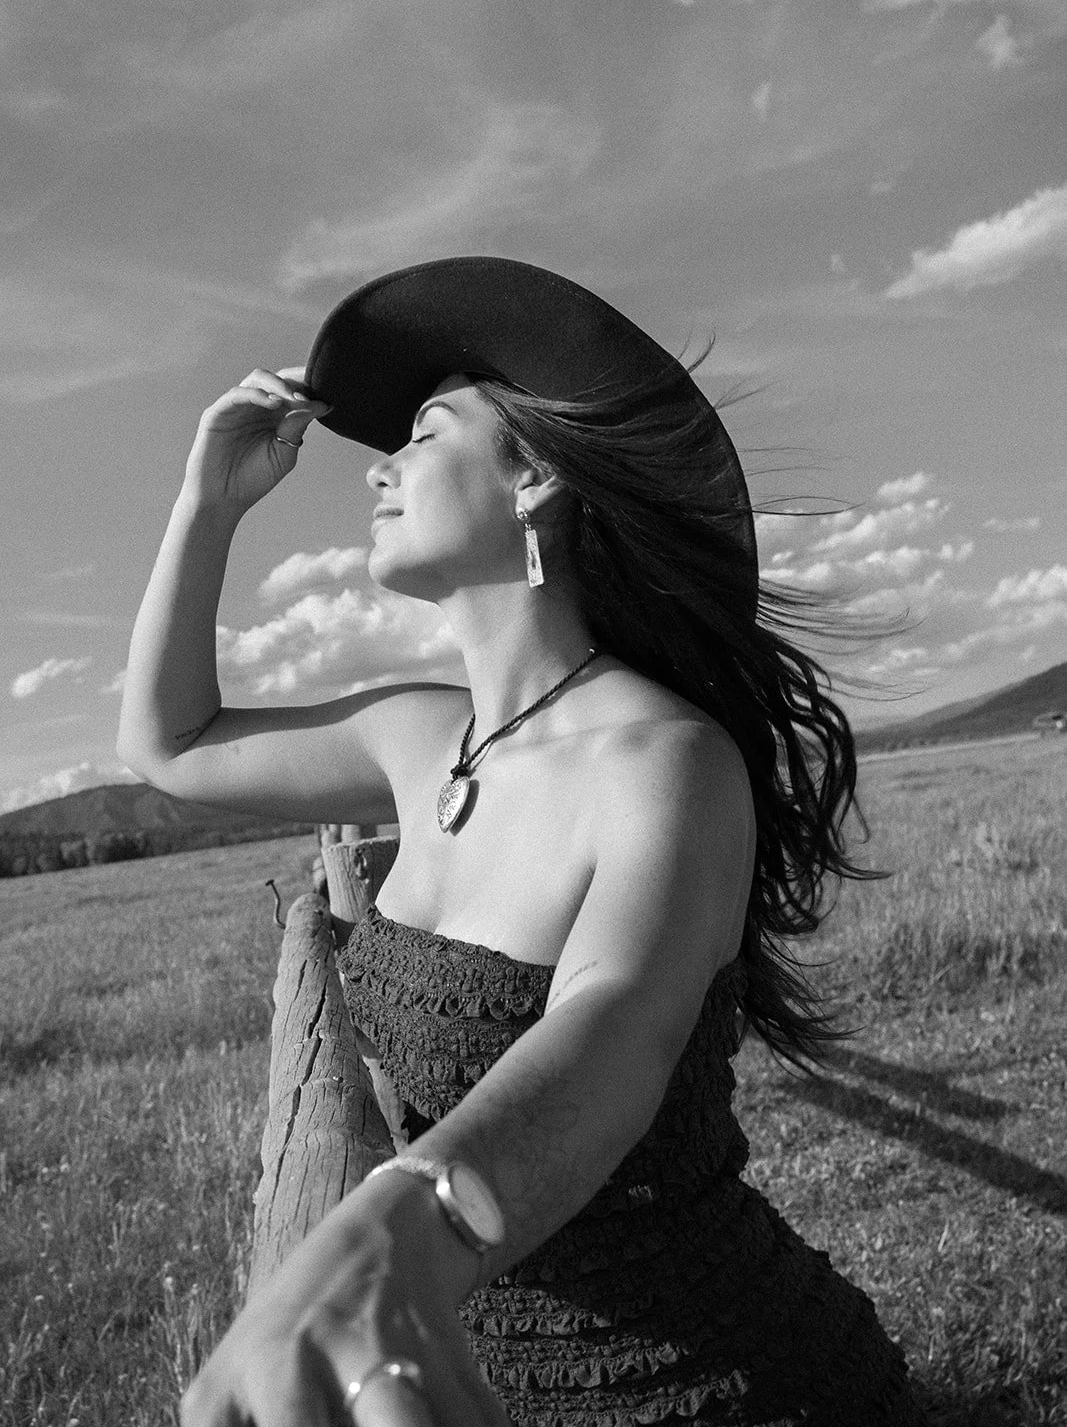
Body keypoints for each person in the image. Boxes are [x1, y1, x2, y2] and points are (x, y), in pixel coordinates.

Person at [118, 257, 924, 1427]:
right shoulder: (417, 737)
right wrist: (209, 500)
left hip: (724, 1388)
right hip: (474, 1379)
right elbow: (171, 743)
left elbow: (612, 1035)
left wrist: (391, 1234)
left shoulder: (663, 759)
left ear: (536, 474)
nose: (379, 467)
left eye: (424, 431)